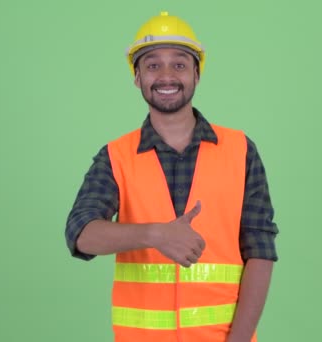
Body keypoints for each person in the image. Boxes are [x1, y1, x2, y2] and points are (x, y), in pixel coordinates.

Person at [65, 11, 279, 342]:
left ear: (197, 73)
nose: (166, 75)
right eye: (152, 65)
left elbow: (260, 251)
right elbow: (80, 234)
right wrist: (155, 235)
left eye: (179, 64)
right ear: (137, 77)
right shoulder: (116, 156)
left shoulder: (240, 149)